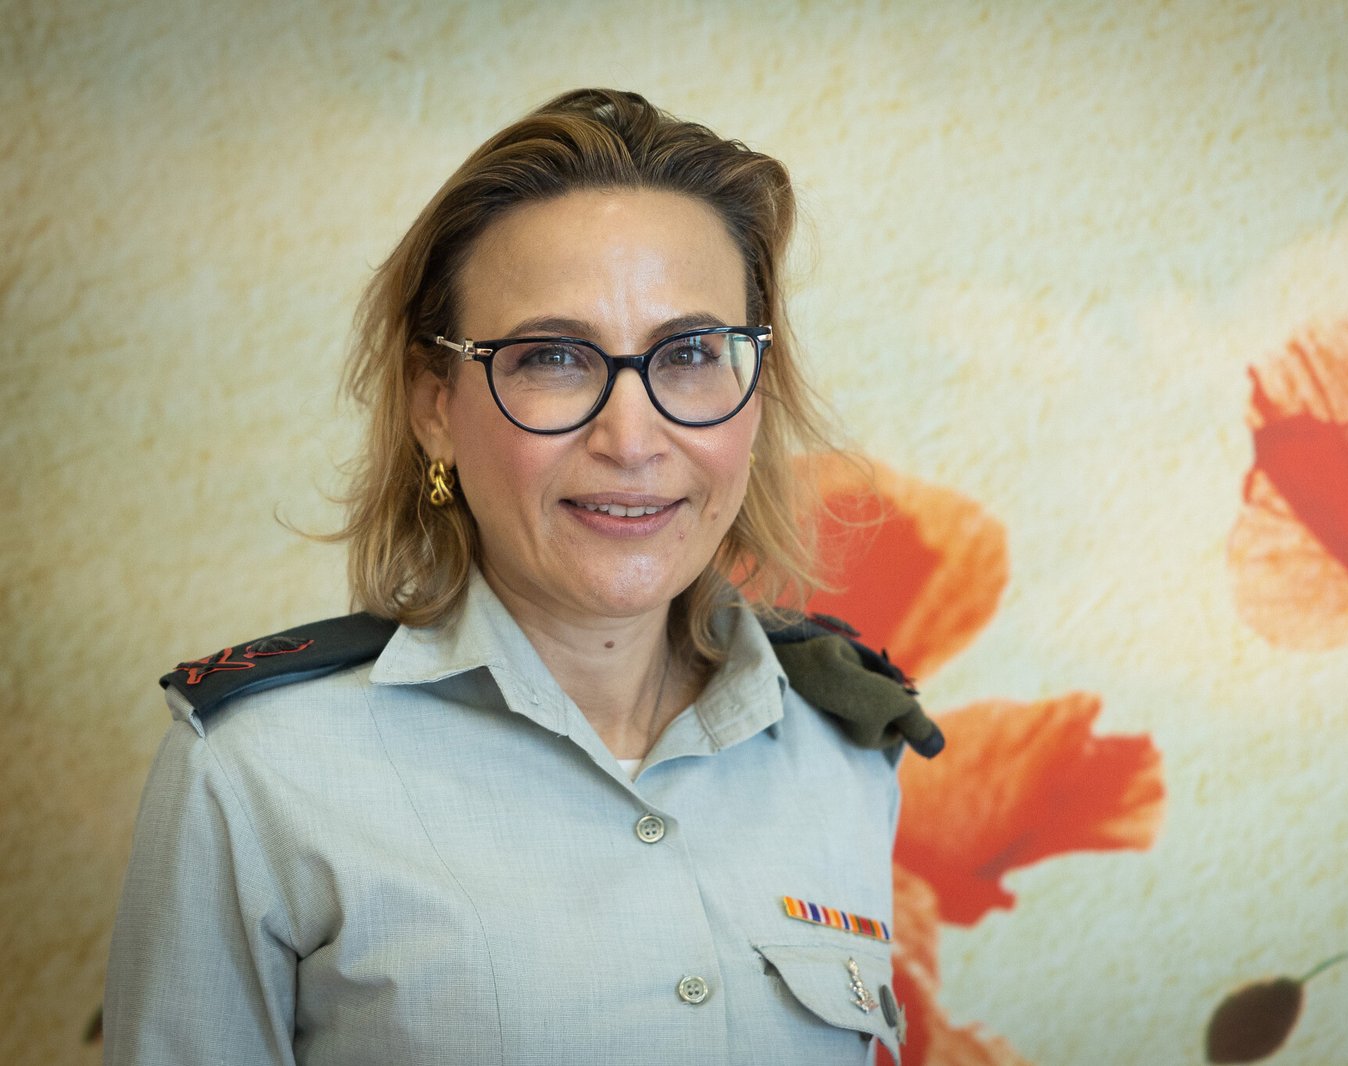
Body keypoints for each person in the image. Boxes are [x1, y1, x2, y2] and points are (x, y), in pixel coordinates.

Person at [101, 89, 944, 1065]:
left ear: (753, 398)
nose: (632, 439)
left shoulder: (843, 752)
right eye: (552, 357)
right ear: (434, 405)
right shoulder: (256, 773)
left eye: (690, 353)